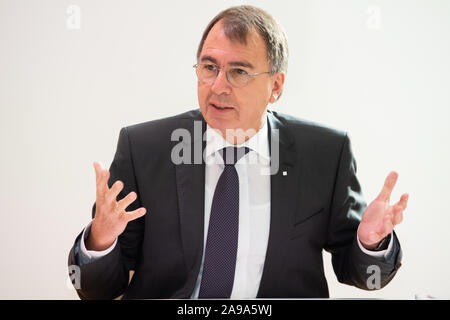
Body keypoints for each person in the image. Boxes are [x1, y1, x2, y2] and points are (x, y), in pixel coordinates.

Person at [68, 5, 407, 300]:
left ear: (275, 86)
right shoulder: (144, 149)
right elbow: (98, 290)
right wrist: (99, 243)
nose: (218, 86)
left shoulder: (324, 154)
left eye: (239, 72)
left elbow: (360, 274)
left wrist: (370, 244)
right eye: (209, 67)